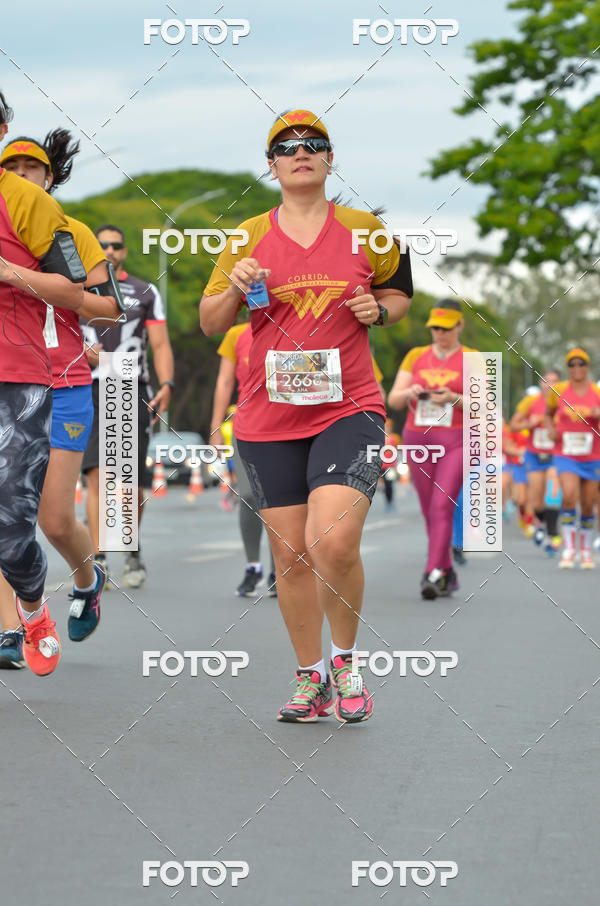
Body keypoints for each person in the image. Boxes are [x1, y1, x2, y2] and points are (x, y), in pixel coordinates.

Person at [200, 109, 412, 723]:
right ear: (270, 165)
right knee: (290, 555)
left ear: (329, 158)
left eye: (313, 144)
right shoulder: (244, 236)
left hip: (349, 408)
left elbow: (400, 293)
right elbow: (212, 323)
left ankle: (346, 661)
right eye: (286, 147)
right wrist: (236, 287)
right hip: (268, 416)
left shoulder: (364, 228)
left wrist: (381, 309)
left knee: (334, 541)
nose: (301, 152)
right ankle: (309, 676)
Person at [0, 129, 124, 667]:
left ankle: (87, 576)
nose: (22, 177)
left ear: (51, 178)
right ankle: (14, 628)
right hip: (11, 379)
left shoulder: (70, 233)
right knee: (8, 510)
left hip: (64, 382)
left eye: (34, 170)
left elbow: (107, 308)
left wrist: (18, 276)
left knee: (51, 519)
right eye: (14, 169)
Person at [0, 91, 86, 675]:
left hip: (28, 374)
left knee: (17, 519)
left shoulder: (27, 204)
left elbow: (82, 297)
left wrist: (7, 272)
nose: (25, 171)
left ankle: (35, 605)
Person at [82, 224, 174, 588]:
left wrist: (167, 383)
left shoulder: (145, 291)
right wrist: (80, 353)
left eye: (115, 245)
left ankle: (129, 549)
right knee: (97, 476)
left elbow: (161, 344)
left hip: (130, 385)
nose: (108, 250)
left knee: (128, 484)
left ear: (124, 251)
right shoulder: (76, 288)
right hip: (87, 387)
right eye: (101, 245)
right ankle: (98, 560)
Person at [388, 298, 469, 599]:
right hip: (418, 437)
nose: (440, 334)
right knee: (428, 510)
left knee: (441, 505)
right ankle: (447, 572)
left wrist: (454, 397)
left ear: (460, 325)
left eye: (446, 328)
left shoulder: (473, 358)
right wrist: (409, 392)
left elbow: (488, 406)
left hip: (456, 439)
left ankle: (432, 572)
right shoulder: (415, 356)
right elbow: (393, 400)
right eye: (435, 328)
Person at [210, 320, 277, 596]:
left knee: (281, 498)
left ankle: (280, 570)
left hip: (288, 422)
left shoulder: (292, 325)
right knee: (249, 495)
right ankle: (253, 566)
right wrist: (215, 427)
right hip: (247, 422)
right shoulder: (236, 334)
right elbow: (225, 381)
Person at [544, 348, 600, 569]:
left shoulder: (596, 391)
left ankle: (585, 550)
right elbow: (548, 414)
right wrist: (550, 429)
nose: (577, 368)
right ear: (568, 368)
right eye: (572, 364)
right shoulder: (557, 390)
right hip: (565, 453)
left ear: (587, 366)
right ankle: (568, 548)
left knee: (587, 504)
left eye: (581, 363)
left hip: (593, 455)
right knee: (569, 495)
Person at [511, 371, 561, 550]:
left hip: (556, 454)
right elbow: (514, 424)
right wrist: (528, 424)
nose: (550, 385)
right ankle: (545, 524)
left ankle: (553, 532)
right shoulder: (530, 402)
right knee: (537, 501)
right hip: (534, 455)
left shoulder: (564, 402)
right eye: (547, 381)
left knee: (553, 492)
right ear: (541, 383)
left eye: (555, 381)